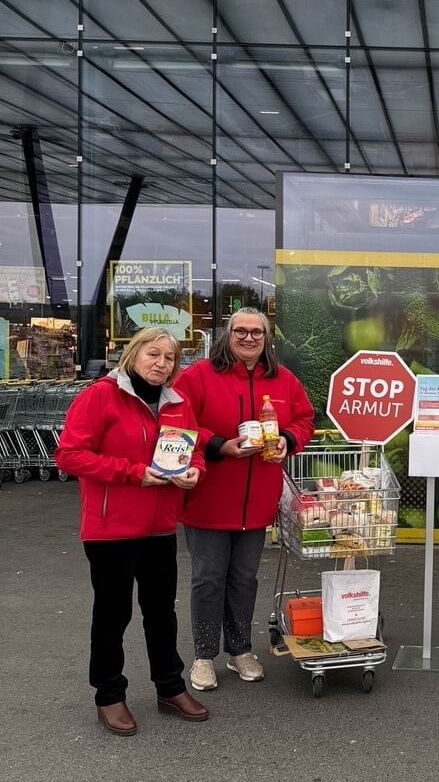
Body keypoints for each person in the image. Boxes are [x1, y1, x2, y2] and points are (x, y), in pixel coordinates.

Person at [55, 327, 210, 735]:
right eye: (153, 354)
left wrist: (196, 470)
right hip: (112, 528)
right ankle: (109, 694)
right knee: (113, 614)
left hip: (160, 525)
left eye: (170, 358)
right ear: (134, 354)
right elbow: (69, 455)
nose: (161, 364)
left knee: (162, 612)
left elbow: (192, 448)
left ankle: (170, 687)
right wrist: (134, 473)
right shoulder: (101, 396)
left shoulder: (176, 403)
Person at [174, 308, 315, 691]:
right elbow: (179, 423)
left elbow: (304, 419)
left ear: (266, 338)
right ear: (228, 334)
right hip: (208, 500)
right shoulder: (198, 376)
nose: (249, 338)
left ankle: (239, 651)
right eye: (240, 331)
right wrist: (219, 445)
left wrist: (287, 439)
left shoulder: (283, 380)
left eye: (257, 332)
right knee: (208, 580)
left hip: (256, 505)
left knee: (243, 579)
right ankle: (204, 656)